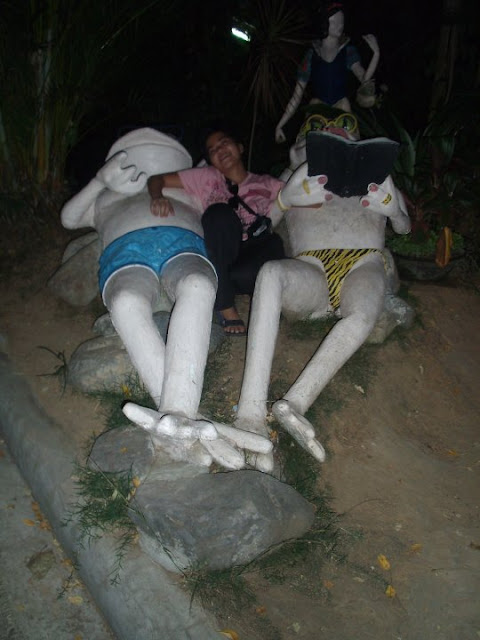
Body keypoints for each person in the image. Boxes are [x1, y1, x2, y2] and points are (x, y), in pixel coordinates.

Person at [147, 126, 286, 336]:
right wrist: (157, 197)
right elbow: (157, 179)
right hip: (225, 246)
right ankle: (224, 304)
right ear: (211, 161)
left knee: (267, 251)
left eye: (224, 143)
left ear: (240, 147)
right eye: (212, 150)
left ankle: (264, 296)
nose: (219, 150)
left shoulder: (266, 182)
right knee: (218, 214)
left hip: (256, 247)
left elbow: (303, 197)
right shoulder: (207, 177)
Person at [275, 1, 380, 145]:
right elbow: (296, 96)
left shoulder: (348, 52)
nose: (339, 25)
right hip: (317, 112)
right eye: (334, 22)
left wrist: (376, 54)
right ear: (324, 24)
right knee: (300, 151)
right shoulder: (311, 55)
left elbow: (364, 79)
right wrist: (280, 125)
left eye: (341, 21)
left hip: (342, 110)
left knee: (352, 147)